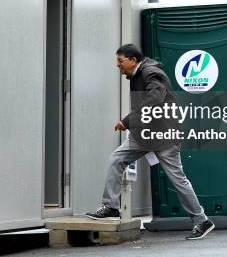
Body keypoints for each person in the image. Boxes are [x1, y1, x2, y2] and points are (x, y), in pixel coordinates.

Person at [85, 43, 214, 240]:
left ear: (133, 60)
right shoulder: (137, 74)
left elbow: (155, 99)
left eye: (120, 61)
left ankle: (201, 220)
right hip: (145, 135)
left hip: (164, 136)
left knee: (178, 179)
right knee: (116, 159)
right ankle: (111, 207)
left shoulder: (151, 73)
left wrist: (127, 121)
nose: (117, 65)